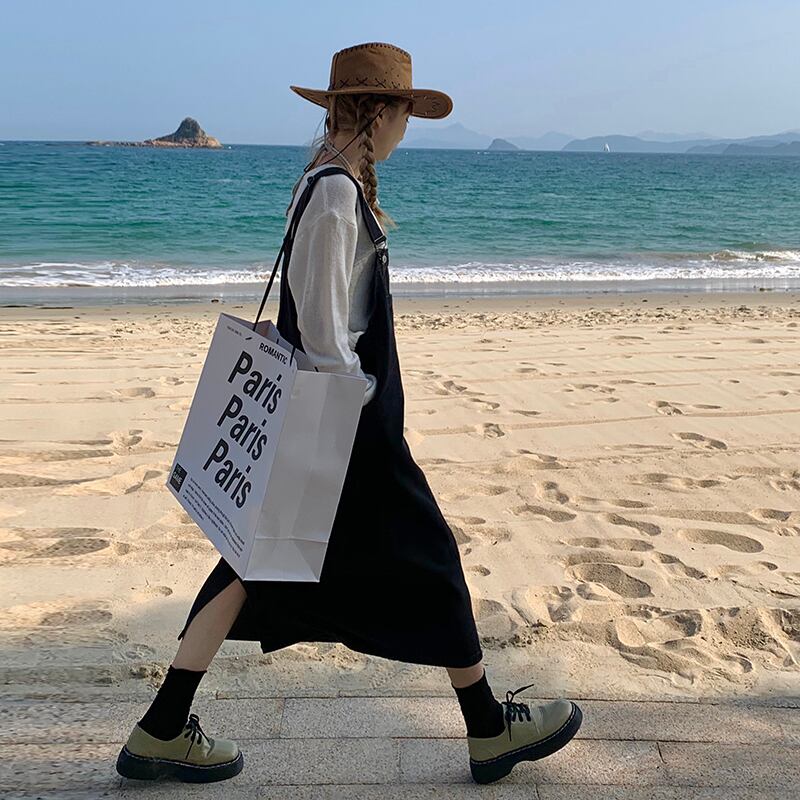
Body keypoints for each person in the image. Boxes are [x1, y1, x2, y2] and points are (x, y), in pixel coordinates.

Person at [115, 41, 582, 786]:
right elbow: (328, 334)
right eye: (404, 113)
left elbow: (312, 316)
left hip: (333, 413)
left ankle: (163, 726)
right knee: (429, 558)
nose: (405, 130)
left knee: (253, 563)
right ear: (378, 113)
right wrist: (360, 402)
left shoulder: (324, 182)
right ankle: (489, 729)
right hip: (346, 423)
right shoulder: (335, 196)